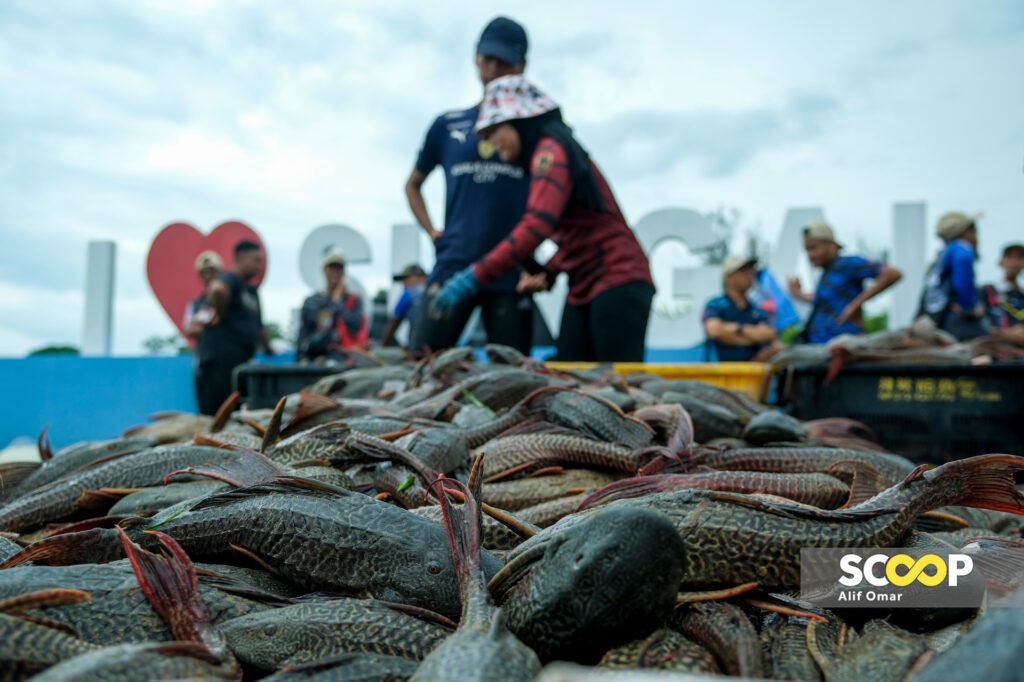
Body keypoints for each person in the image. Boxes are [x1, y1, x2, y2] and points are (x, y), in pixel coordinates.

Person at [431, 75, 655, 362]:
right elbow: (582, 235)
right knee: (572, 375)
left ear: (518, 121)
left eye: (493, 130)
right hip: (585, 282)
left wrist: (473, 276)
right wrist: (548, 272)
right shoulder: (550, 154)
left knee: (618, 386)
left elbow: (536, 225)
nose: (489, 142)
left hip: (618, 278)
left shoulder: (550, 152)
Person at [404, 16, 534, 355]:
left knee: (514, 380)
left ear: (521, 66)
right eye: (487, 58)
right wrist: (433, 230)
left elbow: (553, 200)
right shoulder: (448, 126)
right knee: (422, 366)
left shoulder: (534, 132)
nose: (493, 69)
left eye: (504, 62)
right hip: (453, 265)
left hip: (509, 273)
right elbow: (413, 185)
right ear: (476, 57)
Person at [788, 221, 902, 344]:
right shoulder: (827, 273)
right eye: (807, 250)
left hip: (844, 344)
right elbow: (822, 300)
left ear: (831, 245)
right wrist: (798, 292)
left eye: (814, 248)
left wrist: (855, 305)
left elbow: (892, 273)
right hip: (820, 345)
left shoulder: (848, 264)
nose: (810, 255)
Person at [195, 240, 271, 415]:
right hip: (218, 366)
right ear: (241, 258)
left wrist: (268, 348)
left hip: (240, 366)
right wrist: (220, 314)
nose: (260, 265)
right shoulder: (230, 279)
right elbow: (217, 290)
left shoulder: (252, 291)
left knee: (236, 418)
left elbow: (259, 326)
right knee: (216, 419)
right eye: (256, 260)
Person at [918, 212, 986, 341]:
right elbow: (963, 261)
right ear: (966, 232)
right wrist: (969, 307)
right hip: (957, 321)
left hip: (938, 320)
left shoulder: (940, 255)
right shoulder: (961, 247)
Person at [296, 248, 369, 362]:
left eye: (339, 268)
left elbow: (356, 327)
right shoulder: (312, 301)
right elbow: (316, 325)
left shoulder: (353, 300)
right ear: (325, 270)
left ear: (343, 271)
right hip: (315, 356)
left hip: (344, 358)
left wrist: (338, 302)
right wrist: (301, 358)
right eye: (331, 268)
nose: (335, 272)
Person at [703, 257, 777, 361]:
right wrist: (752, 336)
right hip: (718, 375)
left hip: (751, 375)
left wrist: (735, 331)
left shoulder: (757, 309)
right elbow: (714, 331)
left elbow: (768, 334)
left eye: (750, 271)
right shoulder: (715, 304)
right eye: (743, 271)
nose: (749, 275)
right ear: (728, 277)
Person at [981, 243, 1024, 344]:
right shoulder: (988, 291)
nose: (1014, 263)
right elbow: (980, 321)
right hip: (999, 349)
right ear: (1000, 262)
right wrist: (1007, 334)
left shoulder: (1021, 294)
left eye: (1020, 258)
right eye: (1009, 257)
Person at [381, 264, 427, 347]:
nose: (404, 283)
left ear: (421, 277)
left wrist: (382, 346)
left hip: (420, 347)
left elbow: (393, 324)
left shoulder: (409, 293)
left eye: (406, 279)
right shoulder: (441, 290)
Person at [184, 250, 222, 343]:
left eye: (212, 271)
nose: (208, 276)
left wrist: (202, 324)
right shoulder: (195, 303)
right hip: (205, 354)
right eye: (204, 272)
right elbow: (190, 330)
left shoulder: (229, 298)